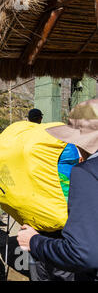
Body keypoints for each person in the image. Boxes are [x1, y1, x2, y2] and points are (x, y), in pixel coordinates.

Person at [17, 98, 98, 280]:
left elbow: (83, 254)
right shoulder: (68, 152)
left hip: (48, 213)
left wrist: (33, 241)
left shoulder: (85, 172)